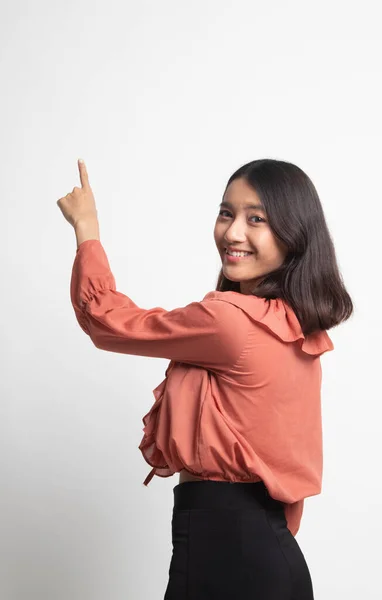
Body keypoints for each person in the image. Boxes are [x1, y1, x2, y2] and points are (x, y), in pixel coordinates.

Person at [57, 158, 353, 599]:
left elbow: (107, 321)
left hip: (226, 551)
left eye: (257, 219)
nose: (233, 232)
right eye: (226, 213)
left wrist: (87, 228)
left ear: (294, 235)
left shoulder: (230, 323)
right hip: (264, 551)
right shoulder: (296, 328)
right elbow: (288, 465)